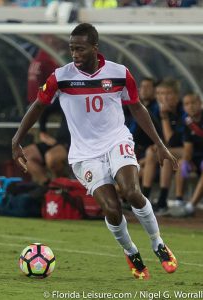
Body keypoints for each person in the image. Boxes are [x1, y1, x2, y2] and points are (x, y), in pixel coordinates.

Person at [12, 23, 178, 280]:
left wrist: (160, 145)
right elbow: (37, 106)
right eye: (71, 48)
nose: (74, 53)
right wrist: (17, 139)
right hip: (84, 154)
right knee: (112, 209)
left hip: (116, 140)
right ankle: (131, 251)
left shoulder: (120, 73)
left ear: (94, 48)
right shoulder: (60, 76)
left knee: (132, 192)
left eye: (80, 48)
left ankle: (158, 243)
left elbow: (137, 108)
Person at [142, 78, 185, 214]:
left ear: (177, 96)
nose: (163, 98)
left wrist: (165, 117)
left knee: (166, 154)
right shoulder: (154, 110)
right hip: (172, 150)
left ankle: (162, 201)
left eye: (167, 94)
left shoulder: (183, 110)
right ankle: (144, 199)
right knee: (151, 152)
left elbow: (172, 141)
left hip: (190, 151)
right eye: (160, 93)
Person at [171, 93, 203, 217]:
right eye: (187, 104)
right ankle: (179, 200)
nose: (190, 106)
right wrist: (188, 161)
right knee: (182, 163)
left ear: (200, 103)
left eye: (193, 103)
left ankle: (190, 207)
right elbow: (188, 148)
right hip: (196, 157)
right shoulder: (186, 123)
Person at [23, 102, 70, 185]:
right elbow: (44, 109)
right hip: (59, 141)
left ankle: (61, 187)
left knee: (51, 157)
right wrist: (43, 132)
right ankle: (48, 187)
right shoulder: (68, 96)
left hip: (74, 143)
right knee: (24, 155)